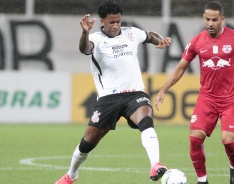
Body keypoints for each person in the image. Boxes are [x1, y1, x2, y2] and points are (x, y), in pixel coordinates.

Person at [55, 0, 172, 183]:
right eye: (112, 22)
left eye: (118, 21)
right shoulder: (95, 39)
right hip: (108, 98)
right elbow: (84, 49)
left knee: (146, 121)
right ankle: (71, 175)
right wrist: (85, 32)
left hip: (135, 94)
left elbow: (149, 36)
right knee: (87, 143)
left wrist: (161, 40)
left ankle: (155, 164)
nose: (116, 25)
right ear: (102, 21)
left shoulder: (131, 33)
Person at [155, 1, 234, 184]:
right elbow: (180, 68)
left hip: (231, 98)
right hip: (207, 98)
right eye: (208, 19)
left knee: (227, 140)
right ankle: (202, 180)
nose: (210, 23)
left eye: (215, 20)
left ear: (222, 19)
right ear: (204, 18)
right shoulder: (196, 42)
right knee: (195, 139)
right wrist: (163, 89)